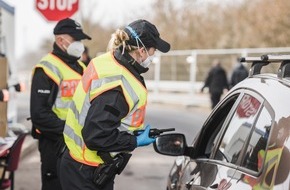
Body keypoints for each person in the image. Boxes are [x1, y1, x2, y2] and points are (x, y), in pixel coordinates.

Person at [59, 19, 170, 190]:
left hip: (78, 163)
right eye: (153, 51)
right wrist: (134, 141)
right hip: (86, 171)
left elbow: (105, 118)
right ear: (141, 51)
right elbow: (96, 135)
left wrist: (132, 132)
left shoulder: (108, 61)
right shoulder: (118, 84)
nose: (153, 56)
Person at [30, 17, 91, 190]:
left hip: (78, 143)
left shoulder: (82, 67)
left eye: (80, 40)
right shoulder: (46, 69)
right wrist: (69, 130)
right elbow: (39, 114)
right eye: (75, 39)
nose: (79, 44)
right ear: (60, 40)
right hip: (55, 143)